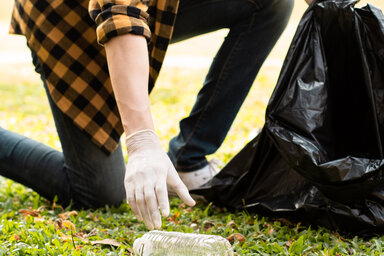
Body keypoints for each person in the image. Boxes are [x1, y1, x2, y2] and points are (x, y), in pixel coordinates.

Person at [1, 0, 310, 230]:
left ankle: (189, 158)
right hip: (64, 19)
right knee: (98, 192)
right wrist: (142, 140)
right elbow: (119, 13)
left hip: (151, 7)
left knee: (269, 3)